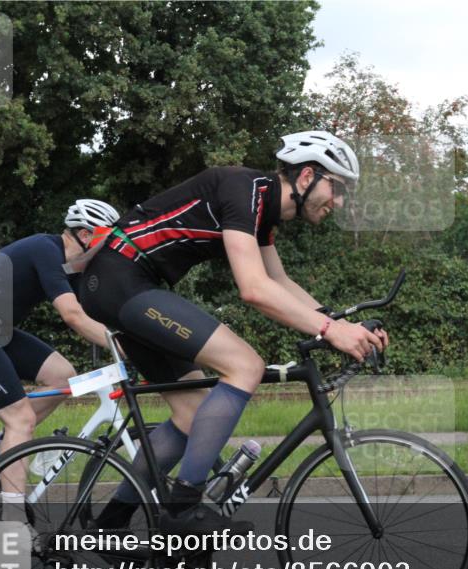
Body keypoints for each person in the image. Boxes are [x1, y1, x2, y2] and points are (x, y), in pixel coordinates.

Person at [82, 131, 388, 534]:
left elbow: (278, 280)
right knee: (245, 366)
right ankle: (184, 512)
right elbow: (254, 289)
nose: (340, 202)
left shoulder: (261, 211)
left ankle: (109, 524)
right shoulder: (244, 189)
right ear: (307, 175)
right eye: (338, 187)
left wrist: (340, 324)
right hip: (121, 279)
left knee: (192, 414)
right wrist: (330, 330)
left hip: (128, 284)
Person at [0, 199, 120, 509]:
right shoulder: (46, 250)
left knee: (63, 376)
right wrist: (121, 347)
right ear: (86, 235)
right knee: (21, 418)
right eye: (107, 240)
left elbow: (98, 310)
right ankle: (13, 518)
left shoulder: (73, 269)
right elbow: (72, 315)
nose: (110, 250)